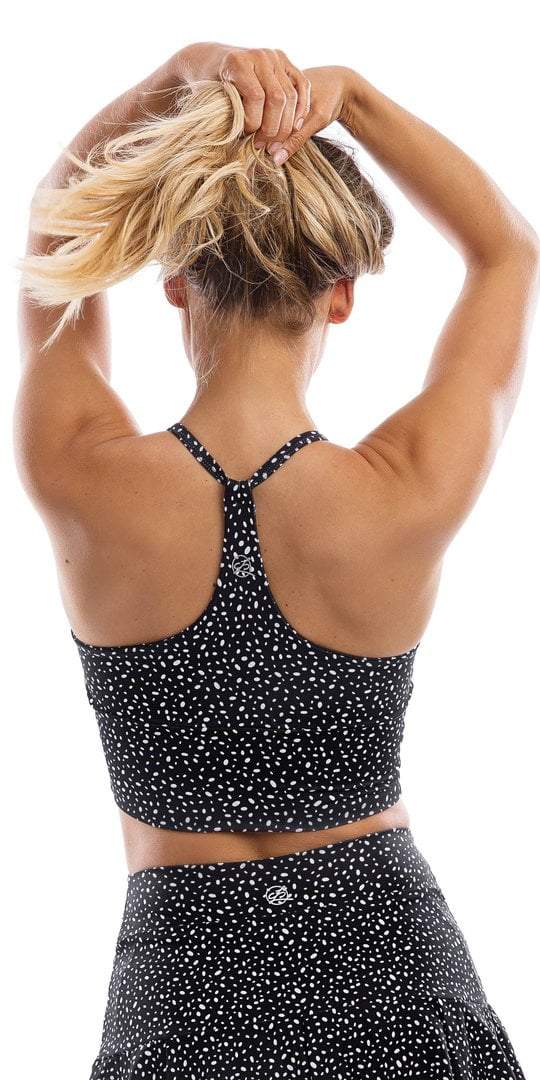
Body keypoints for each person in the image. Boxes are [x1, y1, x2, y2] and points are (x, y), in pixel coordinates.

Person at [15, 40, 538, 1080]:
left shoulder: (80, 474)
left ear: (175, 284)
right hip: (393, 971)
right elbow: (507, 253)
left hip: (183, 993)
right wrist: (354, 97)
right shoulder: (405, 489)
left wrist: (180, 74)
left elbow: (53, 224)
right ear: (341, 295)